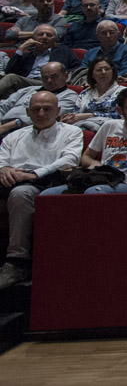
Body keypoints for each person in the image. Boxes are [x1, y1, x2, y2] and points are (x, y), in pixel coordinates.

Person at [0, 90, 83, 289]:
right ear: (28, 112)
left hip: (46, 181)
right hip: (10, 179)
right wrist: (3, 169)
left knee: (21, 194)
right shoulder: (15, 136)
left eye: (47, 109)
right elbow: (2, 158)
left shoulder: (71, 132)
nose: (41, 113)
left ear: (58, 110)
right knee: (15, 189)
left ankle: (17, 262)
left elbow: (70, 159)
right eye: (36, 109)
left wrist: (35, 174)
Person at [42, 87, 127, 195]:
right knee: (47, 195)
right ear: (120, 111)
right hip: (101, 178)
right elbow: (86, 156)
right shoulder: (110, 126)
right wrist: (93, 163)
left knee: (94, 193)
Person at [63, 56, 123, 131]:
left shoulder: (123, 92)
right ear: (92, 75)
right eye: (99, 70)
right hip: (82, 129)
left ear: (113, 72)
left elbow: (123, 115)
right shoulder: (85, 93)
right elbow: (76, 113)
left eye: (107, 69)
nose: (103, 72)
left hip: (111, 130)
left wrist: (90, 115)